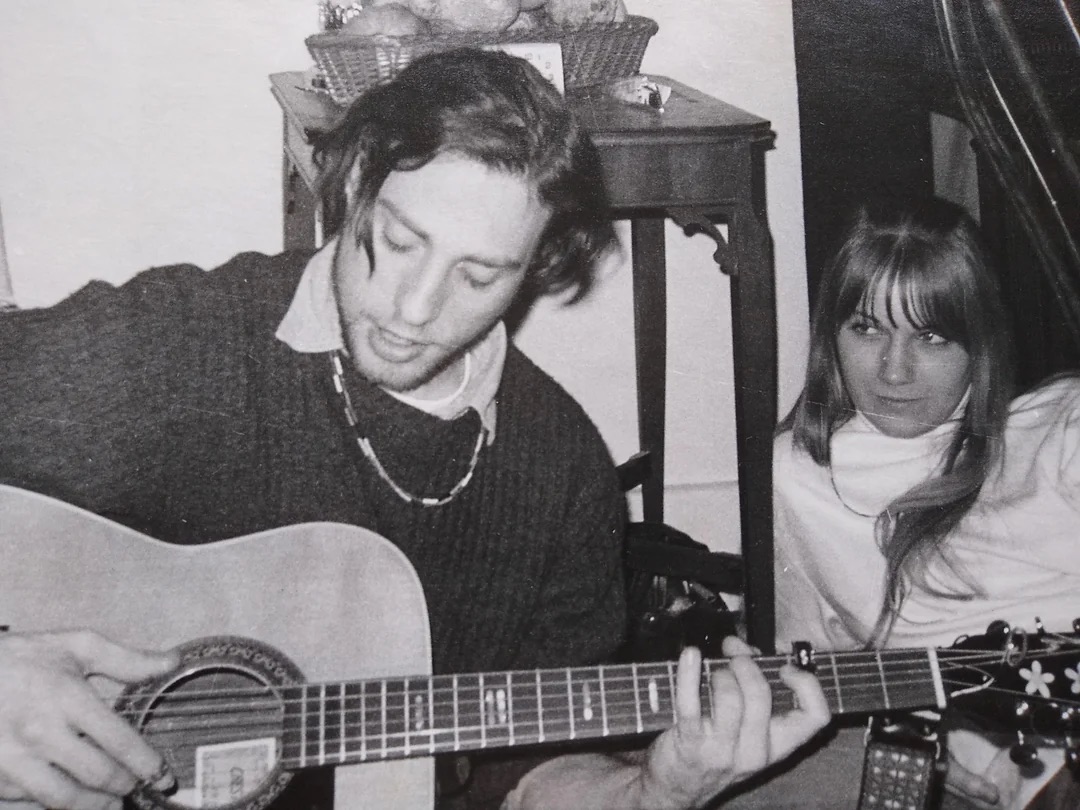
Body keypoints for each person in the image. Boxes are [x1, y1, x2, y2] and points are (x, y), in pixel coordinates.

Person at [0, 48, 830, 810]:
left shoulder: (563, 473)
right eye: (400, 242)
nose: (415, 308)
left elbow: (528, 777)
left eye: (479, 274)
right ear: (359, 180)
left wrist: (654, 791)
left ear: (538, 264)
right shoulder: (183, 346)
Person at [773, 196, 1080, 809]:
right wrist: (929, 741)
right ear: (828, 335)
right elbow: (807, 670)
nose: (894, 371)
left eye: (932, 337)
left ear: (980, 345)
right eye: (867, 328)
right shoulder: (798, 474)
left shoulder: (1060, 427)